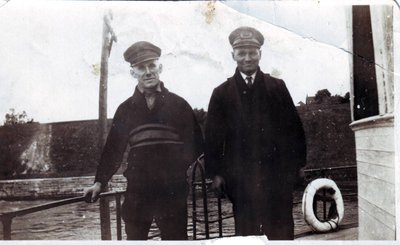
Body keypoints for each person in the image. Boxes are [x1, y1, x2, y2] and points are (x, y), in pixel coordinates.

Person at [84, 41, 203, 240]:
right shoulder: (125, 109)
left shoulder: (178, 104)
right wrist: (99, 183)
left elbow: (196, 144)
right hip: (138, 193)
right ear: (133, 73)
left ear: (160, 68)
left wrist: (176, 168)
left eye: (152, 66)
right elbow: (113, 150)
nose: (148, 72)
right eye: (141, 67)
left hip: (172, 192)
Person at [204, 26, 306, 240]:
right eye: (242, 53)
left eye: (252, 52)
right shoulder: (221, 93)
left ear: (260, 54)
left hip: (276, 177)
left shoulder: (277, 87)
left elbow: (293, 129)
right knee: (247, 236)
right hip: (240, 181)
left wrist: (297, 166)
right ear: (233, 55)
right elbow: (213, 138)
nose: (247, 58)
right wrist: (215, 174)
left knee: (281, 232)